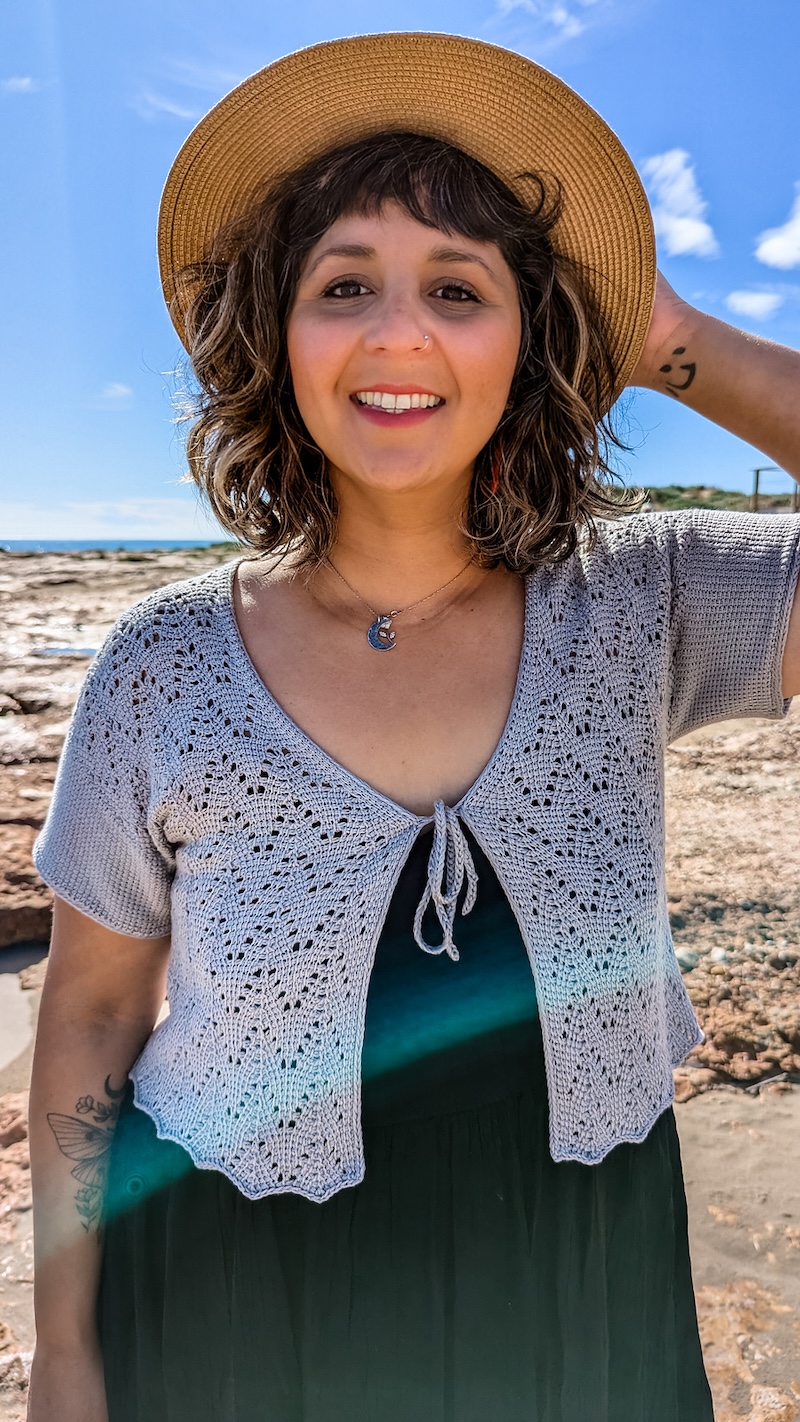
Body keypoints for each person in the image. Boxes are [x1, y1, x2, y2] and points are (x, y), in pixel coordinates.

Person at [26, 32, 800, 1422]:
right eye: (343, 286)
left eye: (458, 288)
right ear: (279, 336)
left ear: (530, 339)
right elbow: (88, 1018)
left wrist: (669, 344)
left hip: (576, 1290)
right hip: (238, 1307)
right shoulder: (160, 667)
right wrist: (68, 1357)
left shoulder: (645, 600)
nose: (397, 333)